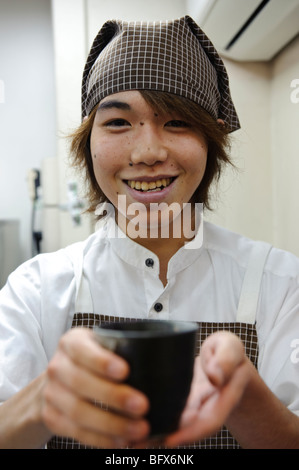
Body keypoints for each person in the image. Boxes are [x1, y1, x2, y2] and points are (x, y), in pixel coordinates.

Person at [0, 15, 299, 450]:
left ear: (210, 143)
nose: (148, 152)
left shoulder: (280, 284)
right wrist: (41, 401)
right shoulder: (35, 290)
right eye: (118, 122)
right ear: (88, 144)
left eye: (177, 122)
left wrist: (247, 399)